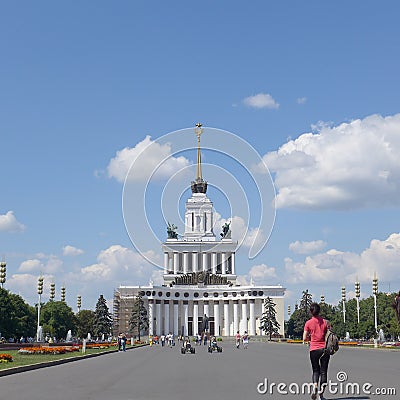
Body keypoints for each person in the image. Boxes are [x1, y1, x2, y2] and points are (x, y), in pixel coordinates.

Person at [303, 302, 330, 400]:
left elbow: (304, 337)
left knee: (315, 370)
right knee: (323, 371)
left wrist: (310, 339)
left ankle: (315, 385)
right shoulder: (325, 322)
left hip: (314, 349)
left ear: (311, 312)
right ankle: (321, 395)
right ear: (319, 311)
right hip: (325, 349)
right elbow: (330, 334)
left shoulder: (308, 323)